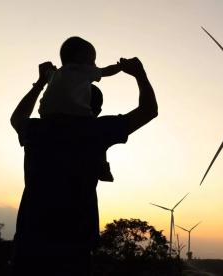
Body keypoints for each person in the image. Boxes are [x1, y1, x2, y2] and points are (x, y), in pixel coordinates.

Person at [10, 57, 157, 276]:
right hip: (74, 245)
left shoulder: (36, 130)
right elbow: (148, 110)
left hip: (30, 240)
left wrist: (40, 83)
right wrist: (139, 74)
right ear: (91, 108)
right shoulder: (95, 131)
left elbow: (17, 117)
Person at [39, 37, 122, 181]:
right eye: (92, 60)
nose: (94, 65)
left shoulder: (53, 74)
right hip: (77, 117)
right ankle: (102, 166)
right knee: (96, 132)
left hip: (47, 116)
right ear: (79, 57)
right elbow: (106, 71)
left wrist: (44, 75)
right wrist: (121, 67)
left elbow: (45, 72)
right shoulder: (82, 70)